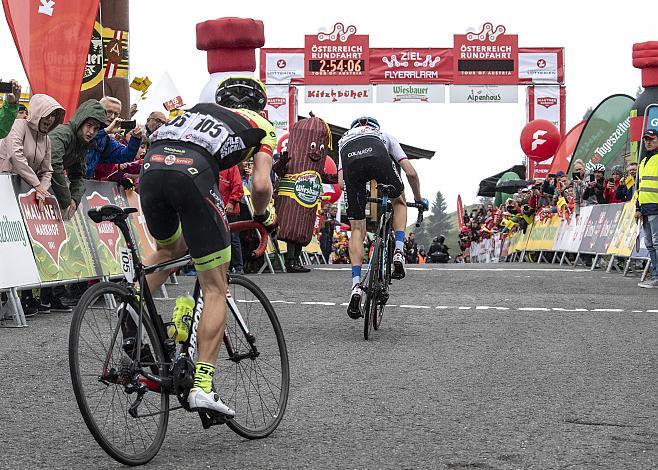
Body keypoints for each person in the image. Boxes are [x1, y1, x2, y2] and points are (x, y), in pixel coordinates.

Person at [137, 76, 275, 416]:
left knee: (169, 251)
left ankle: (130, 308)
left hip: (152, 168)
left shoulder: (196, 112)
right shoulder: (260, 124)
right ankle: (203, 385)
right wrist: (262, 214)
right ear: (260, 106)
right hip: (193, 175)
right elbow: (260, 184)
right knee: (216, 288)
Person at [337, 116, 427, 319]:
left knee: (357, 230)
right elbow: (411, 173)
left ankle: (356, 286)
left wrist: (362, 194)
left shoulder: (344, 139)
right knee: (399, 202)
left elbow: (341, 184)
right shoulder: (385, 135)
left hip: (351, 164)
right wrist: (419, 199)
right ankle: (398, 251)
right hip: (378, 157)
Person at [87, 97, 142, 179]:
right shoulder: (84, 123)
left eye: (116, 114)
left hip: (83, 182)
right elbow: (82, 139)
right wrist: (106, 131)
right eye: (109, 112)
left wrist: (135, 138)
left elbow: (125, 156)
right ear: (98, 109)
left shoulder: (106, 139)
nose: (112, 117)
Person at [636, 129, 658, 288]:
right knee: (650, 244)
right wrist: (638, 207)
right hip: (645, 209)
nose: (648, 142)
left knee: (656, 244)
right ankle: (656, 275)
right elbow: (640, 187)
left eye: (651, 139)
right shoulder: (643, 161)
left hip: (656, 208)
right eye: (646, 140)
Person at [220, 165, 245, 274]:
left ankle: (238, 267)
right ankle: (225, 267)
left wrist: (231, 202)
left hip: (230, 208)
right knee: (219, 239)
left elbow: (238, 186)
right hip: (215, 207)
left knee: (233, 238)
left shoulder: (232, 166)